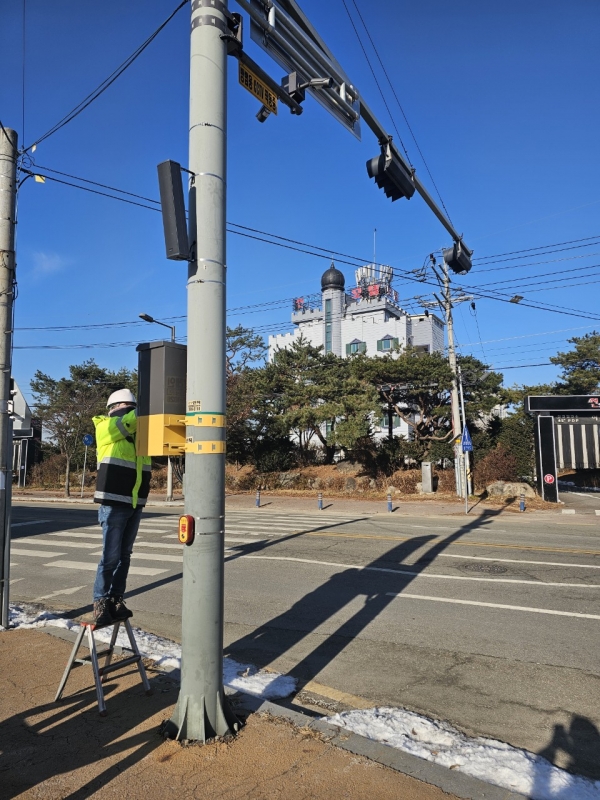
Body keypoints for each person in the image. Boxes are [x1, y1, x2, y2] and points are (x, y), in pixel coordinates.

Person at [91, 388, 151, 625]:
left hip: (135, 501)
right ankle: (101, 602)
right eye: (125, 407)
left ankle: (116, 599)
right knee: (111, 556)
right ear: (114, 409)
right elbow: (128, 422)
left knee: (124, 556)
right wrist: (146, 406)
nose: (129, 411)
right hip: (114, 500)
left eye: (131, 407)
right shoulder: (104, 426)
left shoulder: (140, 434)